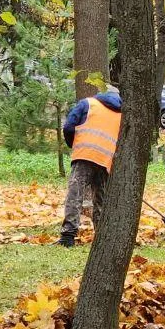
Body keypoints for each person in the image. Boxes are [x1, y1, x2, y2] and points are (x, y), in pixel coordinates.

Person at [59, 90, 123, 247]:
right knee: (101, 199)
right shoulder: (122, 114)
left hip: (84, 154)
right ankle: (102, 236)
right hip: (106, 160)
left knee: (76, 194)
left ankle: (68, 235)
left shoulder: (88, 103)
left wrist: (74, 144)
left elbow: (68, 127)